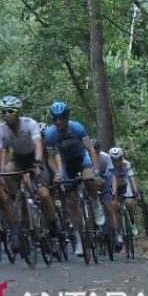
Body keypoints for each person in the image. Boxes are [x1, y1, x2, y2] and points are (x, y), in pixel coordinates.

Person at [0, 95, 57, 251]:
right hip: (19, 158)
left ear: (18, 112)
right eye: (4, 111)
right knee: (7, 170)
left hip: (34, 157)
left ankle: (54, 230)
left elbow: (38, 144)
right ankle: (18, 200)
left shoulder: (30, 124)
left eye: (11, 111)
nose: (7, 114)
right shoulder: (1, 129)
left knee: (44, 195)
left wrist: (38, 163)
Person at [43, 101, 105, 256]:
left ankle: (96, 204)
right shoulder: (50, 134)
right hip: (65, 163)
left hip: (81, 159)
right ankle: (78, 237)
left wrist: (96, 171)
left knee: (89, 179)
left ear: (67, 117)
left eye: (61, 118)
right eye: (55, 119)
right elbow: (51, 158)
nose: (58, 122)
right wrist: (57, 173)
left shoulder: (77, 127)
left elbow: (90, 149)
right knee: (71, 200)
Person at [109, 146, 141, 239]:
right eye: (114, 160)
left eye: (119, 159)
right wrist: (112, 195)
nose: (117, 162)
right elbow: (110, 181)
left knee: (129, 203)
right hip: (113, 187)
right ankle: (119, 229)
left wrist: (135, 191)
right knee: (114, 206)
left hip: (124, 186)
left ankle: (132, 223)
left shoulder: (126, 164)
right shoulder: (109, 166)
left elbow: (131, 178)